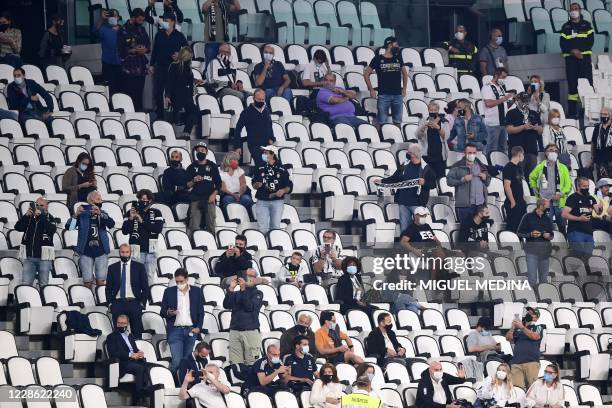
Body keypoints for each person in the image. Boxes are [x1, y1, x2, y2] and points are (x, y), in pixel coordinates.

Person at [373, 144, 436, 232]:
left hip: (418, 203)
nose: (407, 153)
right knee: (404, 228)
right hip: (403, 202)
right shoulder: (404, 165)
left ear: (415, 154)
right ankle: (405, 245)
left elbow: (433, 184)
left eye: (409, 152)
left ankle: (419, 245)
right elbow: (395, 178)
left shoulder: (426, 168)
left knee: (421, 226)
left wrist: (424, 182)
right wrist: (382, 181)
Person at [66, 191, 115, 288]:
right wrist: (76, 215)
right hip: (85, 251)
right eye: (98, 199)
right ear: (91, 201)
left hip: (101, 250)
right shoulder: (82, 213)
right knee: (87, 281)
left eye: (101, 199)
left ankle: (101, 301)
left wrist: (99, 213)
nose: (100, 201)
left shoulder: (103, 213)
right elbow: (69, 227)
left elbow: (111, 224)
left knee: (101, 281)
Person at [161, 268, 205, 372]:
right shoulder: (168, 292)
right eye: (177, 282)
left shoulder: (196, 291)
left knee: (186, 362)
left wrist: (198, 327)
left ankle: (183, 385)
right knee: (176, 361)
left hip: (191, 331)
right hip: (175, 331)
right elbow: (162, 312)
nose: (179, 283)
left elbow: (201, 312)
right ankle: (170, 381)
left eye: (181, 281)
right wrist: (169, 313)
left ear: (187, 279)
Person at [400, 207, 456, 281]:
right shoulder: (411, 228)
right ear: (416, 216)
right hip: (422, 250)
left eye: (425, 216)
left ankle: (450, 276)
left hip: (433, 249)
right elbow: (403, 242)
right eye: (421, 215)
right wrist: (415, 251)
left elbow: (436, 240)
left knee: (459, 254)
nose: (424, 217)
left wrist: (439, 246)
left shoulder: (427, 226)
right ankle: (433, 280)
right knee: (440, 255)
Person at [105, 244, 149, 339]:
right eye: (122, 252)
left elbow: (145, 287)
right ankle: (119, 353)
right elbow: (108, 288)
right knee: (117, 334)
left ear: (130, 253)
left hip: (134, 303)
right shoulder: (112, 268)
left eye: (127, 252)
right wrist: (110, 304)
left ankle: (137, 352)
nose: (124, 254)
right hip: (118, 303)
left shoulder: (139, 267)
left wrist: (142, 303)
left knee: (137, 332)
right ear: (119, 253)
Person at [223, 268, 264, 365]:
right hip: (235, 331)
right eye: (246, 275)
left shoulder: (258, 293)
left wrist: (243, 289)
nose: (247, 278)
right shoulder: (237, 293)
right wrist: (231, 289)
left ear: (255, 279)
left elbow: (249, 307)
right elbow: (226, 305)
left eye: (251, 276)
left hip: (250, 331)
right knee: (236, 364)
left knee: (252, 363)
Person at [121, 189, 164, 283]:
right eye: (140, 199)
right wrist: (131, 219)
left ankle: (148, 297)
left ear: (150, 201)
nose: (142, 201)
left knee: (149, 278)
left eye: (145, 199)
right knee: (136, 278)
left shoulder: (156, 212)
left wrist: (142, 221)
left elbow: (157, 229)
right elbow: (124, 231)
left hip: (151, 251)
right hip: (136, 251)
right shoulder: (130, 213)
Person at [150, 12, 187, 120]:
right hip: (160, 67)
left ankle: (175, 116)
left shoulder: (179, 35)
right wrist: (152, 65)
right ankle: (160, 115)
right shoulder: (159, 34)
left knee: (174, 92)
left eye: (167, 20)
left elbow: (187, 50)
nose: (164, 22)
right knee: (158, 91)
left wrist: (180, 56)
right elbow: (155, 51)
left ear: (173, 22)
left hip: (174, 67)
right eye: (163, 20)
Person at [364, 36, 408, 127]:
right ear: (390, 45)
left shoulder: (398, 58)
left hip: (397, 95)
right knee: (382, 121)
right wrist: (371, 89)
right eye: (396, 44)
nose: (398, 47)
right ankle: (381, 139)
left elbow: (404, 73)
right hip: (383, 95)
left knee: (398, 121)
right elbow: (366, 74)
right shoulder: (377, 59)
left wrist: (404, 88)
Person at [14, 197, 56, 288]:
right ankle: (27, 302)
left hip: (44, 258)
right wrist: (26, 215)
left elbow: (51, 230)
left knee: (44, 285)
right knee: (26, 283)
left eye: (41, 205)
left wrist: (41, 216)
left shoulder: (50, 218)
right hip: (29, 257)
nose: (39, 207)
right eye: (37, 205)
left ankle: (44, 302)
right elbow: (18, 227)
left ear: (47, 206)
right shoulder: (29, 218)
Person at [561, 2, 594, 118]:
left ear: (580, 11)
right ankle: (572, 113)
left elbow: (590, 41)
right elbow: (563, 44)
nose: (574, 11)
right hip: (571, 60)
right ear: (569, 12)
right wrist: (573, 51)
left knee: (587, 84)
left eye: (576, 9)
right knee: (572, 87)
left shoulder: (587, 25)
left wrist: (579, 51)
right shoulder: (565, 27)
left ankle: (586, 113)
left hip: (584, 60)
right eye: (572, 9)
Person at [529, 143, 572, 232]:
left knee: (562, 227)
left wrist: (561, 193)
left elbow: (568, 185)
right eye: (550, 150)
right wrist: (535, 189)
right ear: (546, 152)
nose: (553, 152)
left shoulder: (563, 167)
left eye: (555, 151)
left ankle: (563, 242)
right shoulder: (540, 166)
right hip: (545, 201)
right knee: (546, 225)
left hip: (559, 201)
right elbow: (531, 177)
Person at [106, 314, 148, 405]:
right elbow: (113, 353)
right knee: (139, 368)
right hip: (123, 362)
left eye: (123, 323)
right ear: (116, 324)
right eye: (119, 323)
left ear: (127, 324)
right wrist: (130, 355)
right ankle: (139, 398)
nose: (121, 325)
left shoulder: (130, 336)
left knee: (150, 367)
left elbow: (135, 349)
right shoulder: (111, 337)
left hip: (135, 360)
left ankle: (147, 393)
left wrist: (139, 353)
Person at [447, 143, 491, 223]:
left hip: (480, 205)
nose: (472, 155)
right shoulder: (457, 166)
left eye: (474, 153)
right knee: (466, 230)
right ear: (465, 153)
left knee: (480, 232)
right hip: (465, 206)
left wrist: (485, 178)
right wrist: (463, 179)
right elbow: (449, 181)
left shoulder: (481, 166)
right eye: (470, 153)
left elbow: (487, 182)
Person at [253, 145, 292, 233]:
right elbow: (254, 184)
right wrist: (256, 185)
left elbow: (289, 186)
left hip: (277, 201)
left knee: (275, 227)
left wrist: (283, 191)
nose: (263, 154)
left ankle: (274, 246)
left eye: (266, 152)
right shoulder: (259, 167)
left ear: (273, 154)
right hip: (262, 200)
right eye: (263, 152)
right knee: (262, 228)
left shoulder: (282, 169)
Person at [165, 46, 201, 139]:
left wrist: (195, 81)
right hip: (177, 95)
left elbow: (187, 79)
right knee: (185, 112)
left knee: (194, 112)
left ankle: (186, 132)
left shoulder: (187, 67)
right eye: (189, 56)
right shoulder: (174, 66)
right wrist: (167, 96)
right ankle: (181, 133)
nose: (190, 58)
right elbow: (170, 81)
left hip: (187, 95)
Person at [117, 8, 150, 111]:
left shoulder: (142, 29)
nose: (141, 22)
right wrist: (133, 50)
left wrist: (145, 50)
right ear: (133, 18)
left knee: (139, 93)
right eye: (139, 20)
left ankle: (139, 115)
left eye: (142, 20)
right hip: (128, 69)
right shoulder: (122, 30)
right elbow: (120, 50)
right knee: (129, 94)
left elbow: (148, 45)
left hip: (141, 68)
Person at [233, 88, 275, 168]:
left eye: (262, 99)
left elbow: (270, 126)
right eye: (258, 99)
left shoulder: (266, 110)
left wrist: (271, 138)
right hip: (254, 144)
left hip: (267, 144)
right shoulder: (246, 112)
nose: (261, 101)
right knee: (261, 165)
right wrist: (237, 146)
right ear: (253, 98)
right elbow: (238, 129)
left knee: (271, 166)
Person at [185, 142, 221, 235]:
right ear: (196, 152)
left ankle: (212, 244)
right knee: (194, 227)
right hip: (195, 198)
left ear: (207, 152)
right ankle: (194, 245)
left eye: (202, 150)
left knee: (211, 226)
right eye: (198, 150)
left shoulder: (212, 166)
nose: (200, 152)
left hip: (209, 199)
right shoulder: (191, 167)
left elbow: (218, 183)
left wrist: (214, 195)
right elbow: (186, 185)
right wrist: (193, 180)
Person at [518, 198, 554, 287]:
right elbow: (519, 232)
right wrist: (530, 234)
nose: (549, 207)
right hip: (531, 251)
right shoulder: (528, 217)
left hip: (545, 252)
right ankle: (532, 299)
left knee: (544, 280)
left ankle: (542, 299)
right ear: (541, 206)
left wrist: (548, 236)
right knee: (532, 279)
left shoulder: (548, 218)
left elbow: (552, 235)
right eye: (547, 205)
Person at [505, 91, 543, 177]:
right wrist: (523, 127)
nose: (525, 102)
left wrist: (536, 128)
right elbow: (509, 129)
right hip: (517, 151)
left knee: (532, 177)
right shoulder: (511, 113)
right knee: (518, 177)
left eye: (527, 100)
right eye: (523, 100)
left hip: (532, 150)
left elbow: (541, 130)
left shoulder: (534, 113)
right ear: (517, 100)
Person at [505, 307, 543, 390]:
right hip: (516, 362)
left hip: (531, 362)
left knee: (532, 389)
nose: (528, 314)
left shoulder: (538, 327)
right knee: (517, 389)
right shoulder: (518, 329)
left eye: (531, 313)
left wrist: (522, 327)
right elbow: (508, 338)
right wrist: (513, 327)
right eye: (528, 312)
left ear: (536, 318)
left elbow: (535, 336)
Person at [563, 177, 600, 257]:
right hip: (576, 232)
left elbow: (598, 211)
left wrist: (600, 207)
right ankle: (572, 269)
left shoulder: (591, 198)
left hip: (589, 232)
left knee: (588, 257)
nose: (586, 188)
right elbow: (564, 214)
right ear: (578, 187)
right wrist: (579, 218)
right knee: (578, 256)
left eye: (587, 186)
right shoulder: (572, 198)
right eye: (584, 186)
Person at [481, 67, 512, 155]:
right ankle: (489, 167)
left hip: (503, 123)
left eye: (505, 77)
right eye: (502, 77)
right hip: (493, 124)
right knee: (491, 149)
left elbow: (504, 105)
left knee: (503, 149)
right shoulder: (487, 87)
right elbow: (488, 103)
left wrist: (513, 100)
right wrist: (504, 99)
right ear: (496, 75)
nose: (504, 79)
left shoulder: (501, 88)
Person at [416, 102, 449, 178]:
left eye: (435, 110)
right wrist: (423, 127)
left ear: (438, 110)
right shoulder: (423, 121)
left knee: (440, 177)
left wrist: (438, 127)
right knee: (426, 177)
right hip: (427, 154)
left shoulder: (444, 121)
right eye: (431, 110)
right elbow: (419, 136)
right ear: (428, 110)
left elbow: (446, 137)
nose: (433, 111)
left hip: (440, 155)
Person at [93, 9, 121, 94]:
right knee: (109, 89)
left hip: (122, 64)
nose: (113, 17)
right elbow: (94, 32)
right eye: (111, 15)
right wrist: (101, 19)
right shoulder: (103, 29)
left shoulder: (123, 29)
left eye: (114, 15)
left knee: (121, 89)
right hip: (108, 64)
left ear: (118, 17)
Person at [502, 146, 527, 232]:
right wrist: (512, 201)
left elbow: (520, 184)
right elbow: (507, 186)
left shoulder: (519, 167)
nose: (524, 156)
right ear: (519, 154)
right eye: (523, 154)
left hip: (521, 202)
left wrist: (523, 197)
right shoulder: (508, 167)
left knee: (521, 227)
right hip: (513, 202)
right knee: (513, 227)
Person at [591, 107, 612, 180]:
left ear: (610, 116)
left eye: (605, 114)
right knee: (602, 181)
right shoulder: (597, 128)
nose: (603, 116)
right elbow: (593, 143)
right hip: (600, 160)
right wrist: (592, 158)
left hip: (610, 160)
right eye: (601, 114)